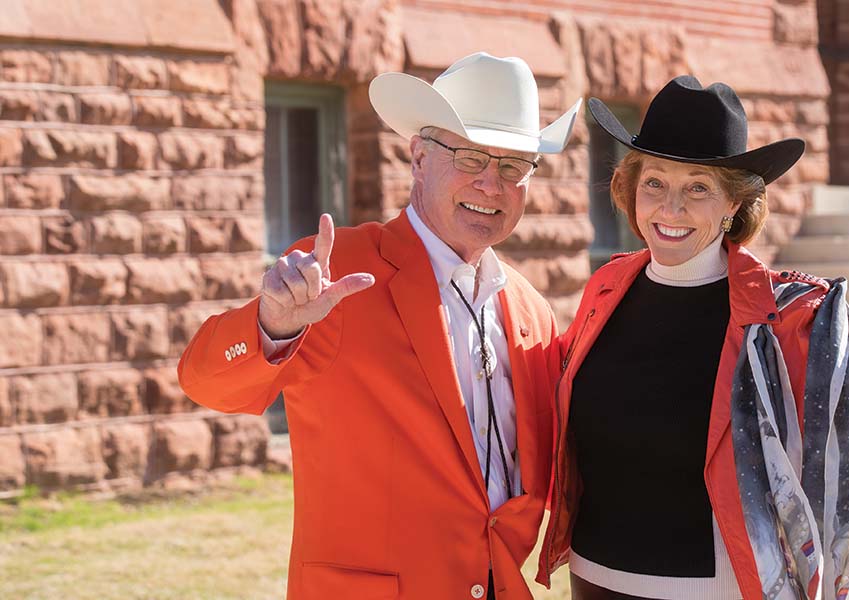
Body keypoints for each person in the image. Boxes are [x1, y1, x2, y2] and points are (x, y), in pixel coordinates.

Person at [535, 76, 849, 600]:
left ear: (734, 205)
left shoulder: (785, 317)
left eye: (698, 187)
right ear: (631, 188)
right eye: (655, 182)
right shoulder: (607, 287)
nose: (670, 209)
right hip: (594, 582)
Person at [178, 53, 581, 599]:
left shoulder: (532, 311)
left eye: (514, 166)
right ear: (419, 157)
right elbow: (205, 382)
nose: (492, 184)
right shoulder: (337, 273)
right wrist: (271, 325)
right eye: (470, 157)